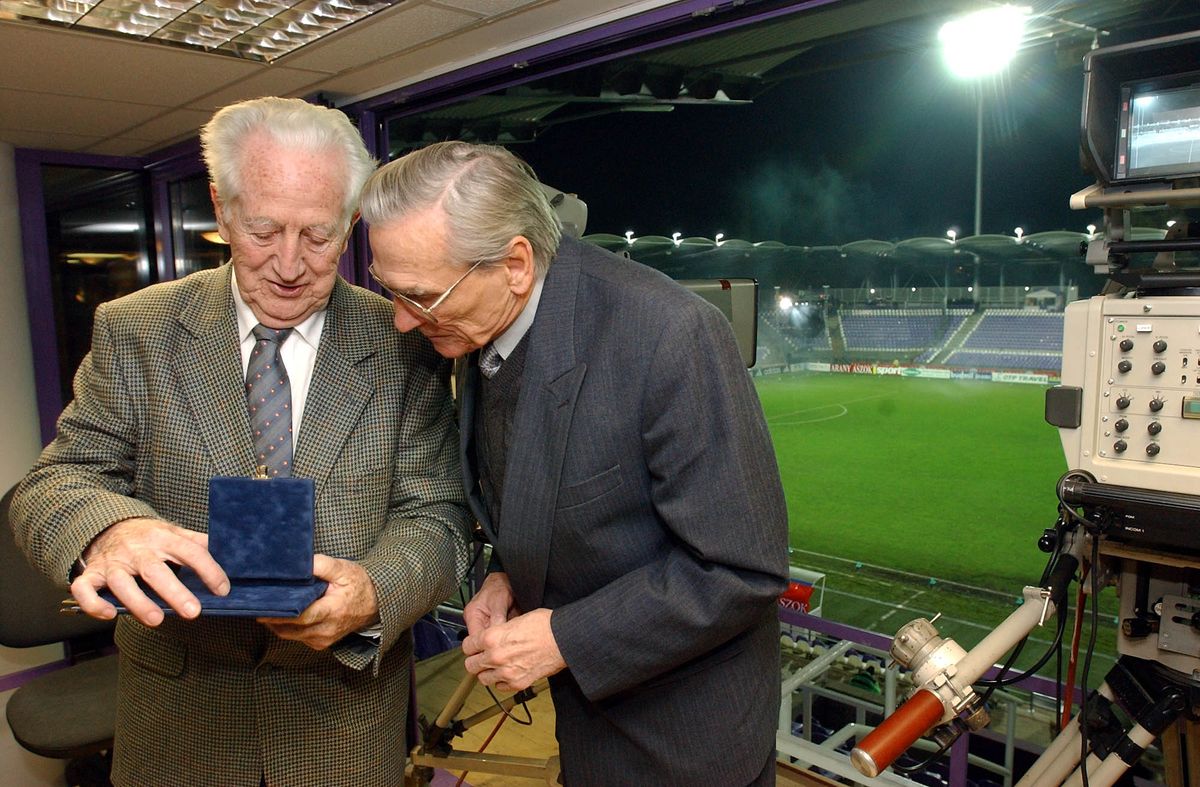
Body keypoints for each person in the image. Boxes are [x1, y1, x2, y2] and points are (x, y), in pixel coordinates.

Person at [9, 98, 473, 787]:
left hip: (341, 731)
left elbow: (438, 517)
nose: (289, 264)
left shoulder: (403, 342)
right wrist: (110, 530)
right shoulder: (135, 329)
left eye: (318, 236)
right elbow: (55, 482)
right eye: (262, 230)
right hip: (179, 727)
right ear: (222, 211)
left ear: (351, 225)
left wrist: (373, 590)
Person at [360, 141, 790, 786]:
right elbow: (545, 490)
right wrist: (508, 576)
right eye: (390, 291)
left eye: (419, 296)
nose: (400, 322)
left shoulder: (670, 335)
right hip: (589, 719)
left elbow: (740, 568)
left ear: (515, 264)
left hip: (686, 737)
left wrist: (564, 639)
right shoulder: (482, 323)